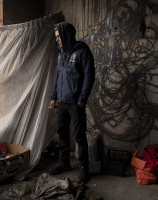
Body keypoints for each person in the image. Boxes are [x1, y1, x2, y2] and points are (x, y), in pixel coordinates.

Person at [49, 22, 95, 183]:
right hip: (61, 101)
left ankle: (84, 169)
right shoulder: (61, 52)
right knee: (62, 134)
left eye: (58, 37)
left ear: (66, 34)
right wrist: (53, 96)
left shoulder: (82, 51)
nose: (57, 40)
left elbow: (89, 77)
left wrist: (82, 100)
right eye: (56, 38)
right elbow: (58, 76)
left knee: (79, 136)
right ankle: (64, 163)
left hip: (75, 103)